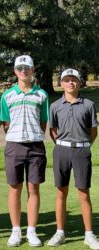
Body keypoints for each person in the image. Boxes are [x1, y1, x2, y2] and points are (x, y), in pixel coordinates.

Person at [47, 69, 99, 249]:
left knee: (83, 192)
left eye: (74, 80)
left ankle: (89, 234)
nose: (70, 83)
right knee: (61, 192)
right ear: (61, 84)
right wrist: (63, 144)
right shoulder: (54, 106)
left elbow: (93, 132)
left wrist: (83, 146)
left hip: (82, 151)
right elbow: (53, 131)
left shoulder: (89, 105)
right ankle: (60, 232)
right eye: (66, 80)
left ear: (79, 83)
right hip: (61, 150)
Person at [0, 55, 49, 247]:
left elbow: (44, 121)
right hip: (14, 145)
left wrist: (35, 134)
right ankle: (16, 231)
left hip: (36, 145)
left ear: (32, 70)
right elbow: (5, 122)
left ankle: (31, 231)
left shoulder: (42, 95)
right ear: (15, 71)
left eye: (26, 67)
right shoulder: (7, 95)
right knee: (14, 188)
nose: (23, 71)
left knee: (33, 188)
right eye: (20, 68)